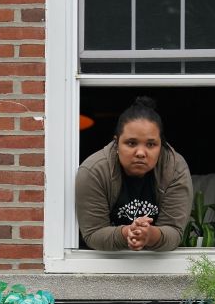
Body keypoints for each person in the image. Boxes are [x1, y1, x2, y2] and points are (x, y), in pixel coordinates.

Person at [75, 97, 193, 251]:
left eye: (151, 144)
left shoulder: (174, 169)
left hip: (158, 263)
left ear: (161, 145)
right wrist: (128, 233)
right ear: (117, 143)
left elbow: (174, 232)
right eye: (131, 143)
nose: (140, 153)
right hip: (105, 262)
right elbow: (93, 234)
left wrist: (149, 235)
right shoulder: (94, 171)